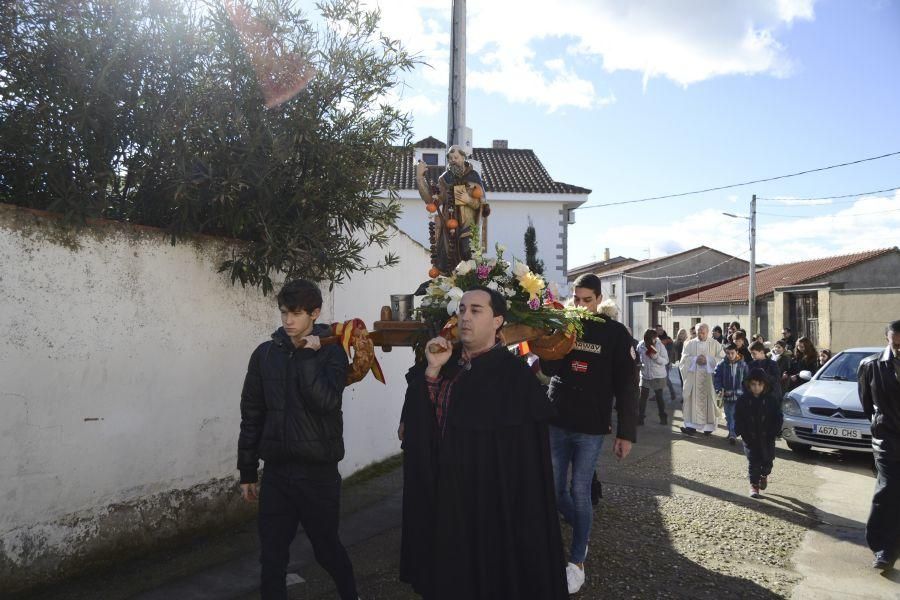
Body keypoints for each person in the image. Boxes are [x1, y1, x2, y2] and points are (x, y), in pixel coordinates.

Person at [399, 286, 568, 599]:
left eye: (476, 310)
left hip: (491, 502)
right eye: (462, 310)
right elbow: (423, 426)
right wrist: (433, 371)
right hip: (445, 494)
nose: (465, 317)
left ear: (497, 320)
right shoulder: (443, 363)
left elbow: (525, 461)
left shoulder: (513, 375)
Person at [237, 279, 358, 600]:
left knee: (326, 549)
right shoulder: (264, 355)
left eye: (296, 313)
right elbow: (252, 415)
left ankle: (351, 595)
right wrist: (247, 470)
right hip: (277, 473)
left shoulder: (332, 355)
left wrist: (306, 358)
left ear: (315, 313)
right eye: (283, 313)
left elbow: (327, 403)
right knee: (272, 556)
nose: (288, 321)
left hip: (317, 475)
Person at [541, 273, 637, 594]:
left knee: (580, 490)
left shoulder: (616, 334)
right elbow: (549, 369)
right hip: (557, 418)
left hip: (591, 426)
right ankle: (583, 527)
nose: (581, 306)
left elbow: (626, 387)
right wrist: (549, 342)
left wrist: (626, 433)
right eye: (577, 300)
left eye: (587, 300)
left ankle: (577, 559)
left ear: (598, 299)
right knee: (554, 491)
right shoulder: (564, 324)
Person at [859, 320, 900, 570]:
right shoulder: (871, 365)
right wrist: (879, 423)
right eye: (894, 343)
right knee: (889, 488)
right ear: (887, 339)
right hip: (886, 438)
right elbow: (866, 402)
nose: (898, 348)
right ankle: (882, 548)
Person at [734, 368, 783, 498]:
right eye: (754, 384)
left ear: (765, 385)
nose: (756, 388)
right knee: (753, 462)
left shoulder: (771, 400)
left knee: (767, 461)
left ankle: (764, 475)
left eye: (760, 385)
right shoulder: (743, 400)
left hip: (767, 437)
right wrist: (741, 431)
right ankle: (754, 485)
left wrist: (775, 431)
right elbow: (738, 417)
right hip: (750, 437)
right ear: (749, 385)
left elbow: (778, 417)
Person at [678, 323, 724, 436]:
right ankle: (690, 427)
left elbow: (722, 359)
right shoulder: (689, 344)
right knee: (691, 402)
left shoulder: (715, 344)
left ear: (707, 332)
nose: (700, 335)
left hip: (709, 380)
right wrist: (694, 360)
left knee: (709, 402)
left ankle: (708, 427)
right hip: (693, 379)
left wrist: (708, 360)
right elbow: (683, 361)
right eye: (698, 332)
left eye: (703, 333)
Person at [714, 343, 750, 445]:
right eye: (728, 353)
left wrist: (747, 392)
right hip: (727, 395)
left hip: (740, 395)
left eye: (732, 353)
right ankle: (732, 432)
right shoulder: (721, 365)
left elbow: (747, 380)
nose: (730, 355)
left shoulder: (743, 364)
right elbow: (717, 378)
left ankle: (733, 433)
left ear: (737, 352)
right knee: (729, 415)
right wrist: (719, 389)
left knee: (736, 415)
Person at [638, 328, 669, 426]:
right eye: (649, 339)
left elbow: (666, 361)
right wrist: (639, 364)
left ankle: (663, 417)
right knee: (642, 398)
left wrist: (656, 357)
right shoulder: (641, 345)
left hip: (658, 376)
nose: (652, 341)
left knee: (659, 398)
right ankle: (640, 418)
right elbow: (638, 357)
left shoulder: (660, 345)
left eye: (654, 339)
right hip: (645, 375)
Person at [655, 325, 678, 403]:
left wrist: (669, 362)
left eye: (662, 329)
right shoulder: (654, 339)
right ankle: (657, 395)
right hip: (656, 362)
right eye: (659, 330)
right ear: (656, 331)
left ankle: (673, 393)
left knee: (666, 379)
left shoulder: (668, 339)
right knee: (657, 379)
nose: (661, 331)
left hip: (665, 362)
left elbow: (671, 352)